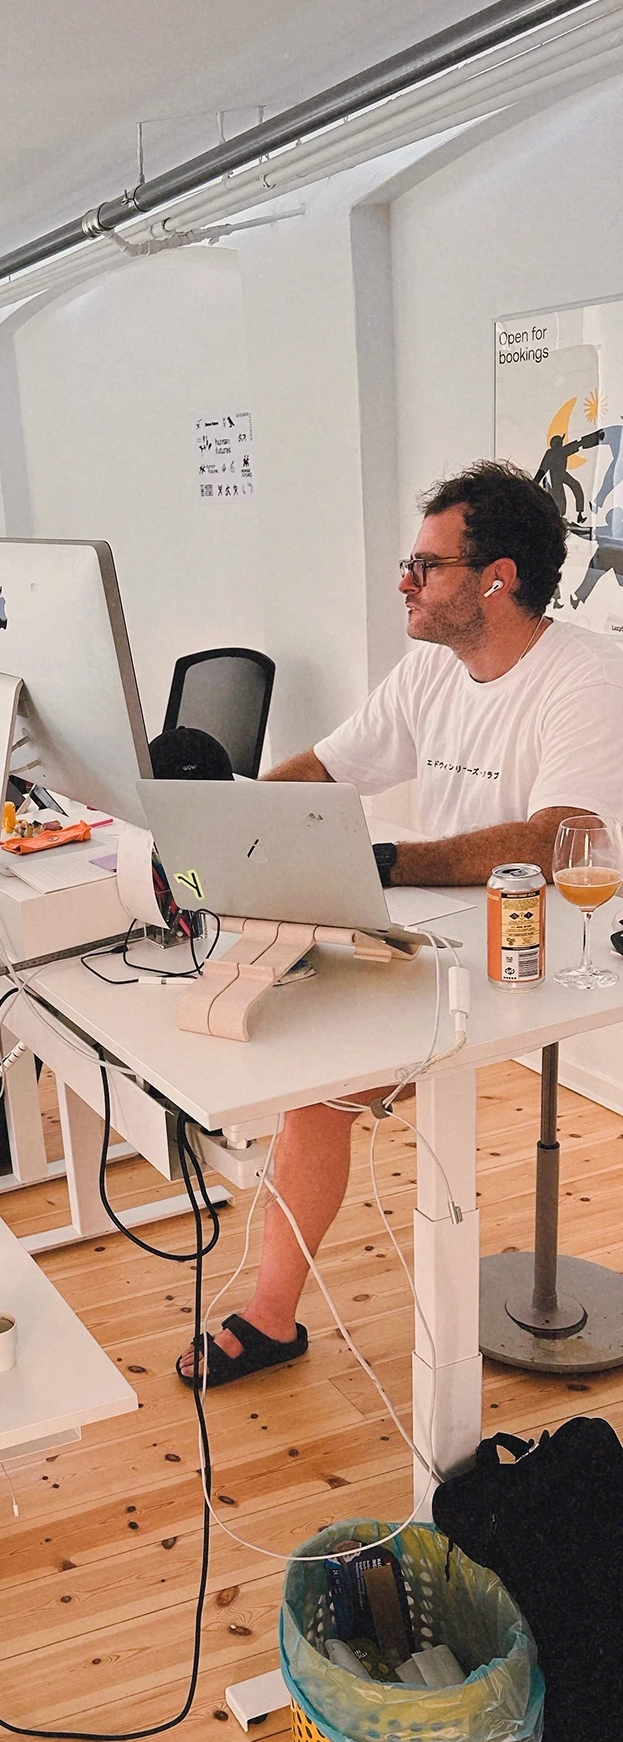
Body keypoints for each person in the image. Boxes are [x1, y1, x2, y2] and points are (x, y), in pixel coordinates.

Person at [179, 459, 623, 1390]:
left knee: (320, 1087)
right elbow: (326, 768)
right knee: (292, 1042)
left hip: (542, 950)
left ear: (496, 579)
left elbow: (556, 840)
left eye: (425, 565)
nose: (404, 583)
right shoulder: (433, 671)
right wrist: (225, 826)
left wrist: (380, 861)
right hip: (437, 936)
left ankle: (271, 1318)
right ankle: (274, 1314)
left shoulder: (586, 677)